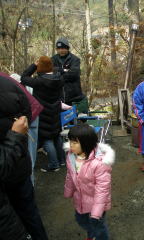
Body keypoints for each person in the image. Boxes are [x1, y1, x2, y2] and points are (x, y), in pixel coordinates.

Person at [0, 74, 48, 240]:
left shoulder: (6, 82)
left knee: (24, 213)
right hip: (19, 161)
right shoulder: (8, 80)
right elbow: (28, 108)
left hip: (15, 165)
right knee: (29, 213)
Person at [64, 124, 114, 240]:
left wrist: (97, 211)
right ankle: (92, 235)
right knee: (80, 219)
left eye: (75, 142)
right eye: (70, 141)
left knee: (98, 226)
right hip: (80, 199)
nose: (71, 145)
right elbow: (70, 175)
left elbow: (102, 189)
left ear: (86, 143)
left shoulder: (99, 163)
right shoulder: (71, 157)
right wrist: (68, 190)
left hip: (96, 204)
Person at [21, 56, 65, 172]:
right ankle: (62, 160)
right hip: (55, 110)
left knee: (46, 138)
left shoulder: (39, 82)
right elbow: (58, 70)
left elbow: (23, 78)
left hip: (43, 112)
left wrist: (33, 66)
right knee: (56, 135)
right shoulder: (59, 79)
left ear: (40, 67)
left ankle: (54, 164)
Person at [7, 72, 43, 185]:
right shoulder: (19, 86)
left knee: (28, 157)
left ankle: (30, 187)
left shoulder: (13, 88)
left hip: (28, 118)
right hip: (30, 115)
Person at [52, 37, 87, 112]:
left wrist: (59, 76)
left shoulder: (75, 59)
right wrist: (63, 70)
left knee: (75, 120)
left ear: (67, 48)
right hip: (58, 97)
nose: (61, 50)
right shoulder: (53, 59)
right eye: (59, 48)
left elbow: (74, 74)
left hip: (74, 97)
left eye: (63, 48)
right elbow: (51, 72)